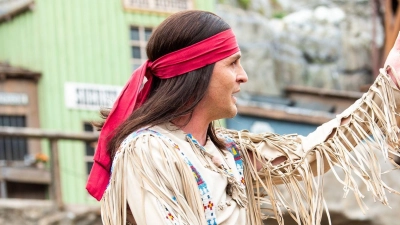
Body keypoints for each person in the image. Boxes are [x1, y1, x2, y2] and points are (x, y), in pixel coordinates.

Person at [86, 10, 400, 225]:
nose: (244, 76)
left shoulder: (228, 152)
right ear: (197, 71)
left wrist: (389, 83)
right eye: (233, 64)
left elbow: (310, 153)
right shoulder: (148, 150)